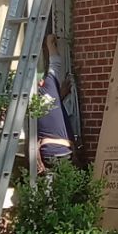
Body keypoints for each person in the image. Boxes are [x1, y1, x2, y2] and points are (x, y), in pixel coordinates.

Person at [35, 35, 74, 172]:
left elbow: (48, 111)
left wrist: (60, 96)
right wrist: (50, 43)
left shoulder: (30, 104)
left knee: (49, 189)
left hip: (46, 153)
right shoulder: (49, 86)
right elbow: (55, 62)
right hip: (64, 151)